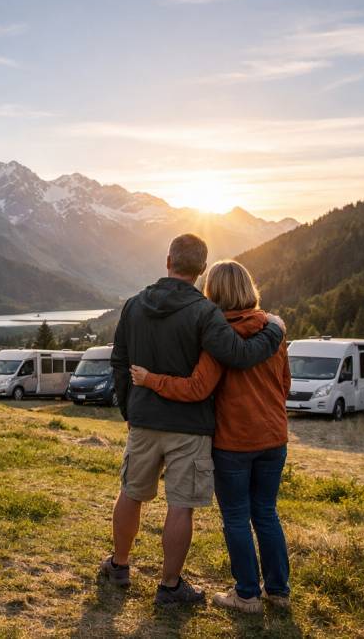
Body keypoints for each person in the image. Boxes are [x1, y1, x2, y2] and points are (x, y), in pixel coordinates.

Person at [99, 234, 284, 606]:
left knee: (131, 493)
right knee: (180, 505)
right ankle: (170, 586)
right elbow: (238, 354)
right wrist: (276, 332)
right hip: (191, 426)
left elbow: (118, 362)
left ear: (168, 260)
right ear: (201, 270)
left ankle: (119, 566)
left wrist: (130, 411)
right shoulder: (205, 312)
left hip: (145, 419)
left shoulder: (133, 305)